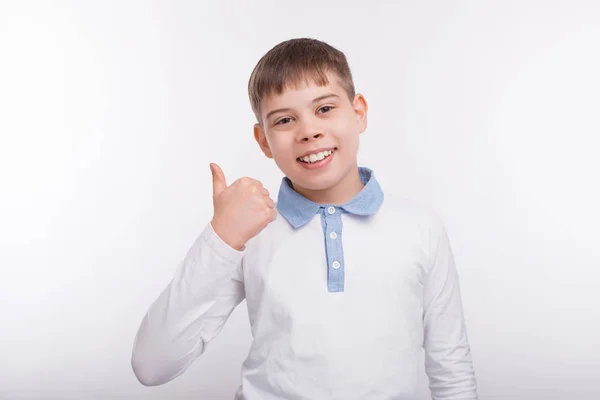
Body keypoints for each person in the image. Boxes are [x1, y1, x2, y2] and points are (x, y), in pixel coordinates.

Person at [131, 37, 478, 399]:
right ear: (263, 140)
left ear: (358, 112)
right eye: (284, 120)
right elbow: (152, 365)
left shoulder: (421, 228)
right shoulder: (248, 235)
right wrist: (221, 237)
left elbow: (451, 368)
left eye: (325, 109)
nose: (309, 131)